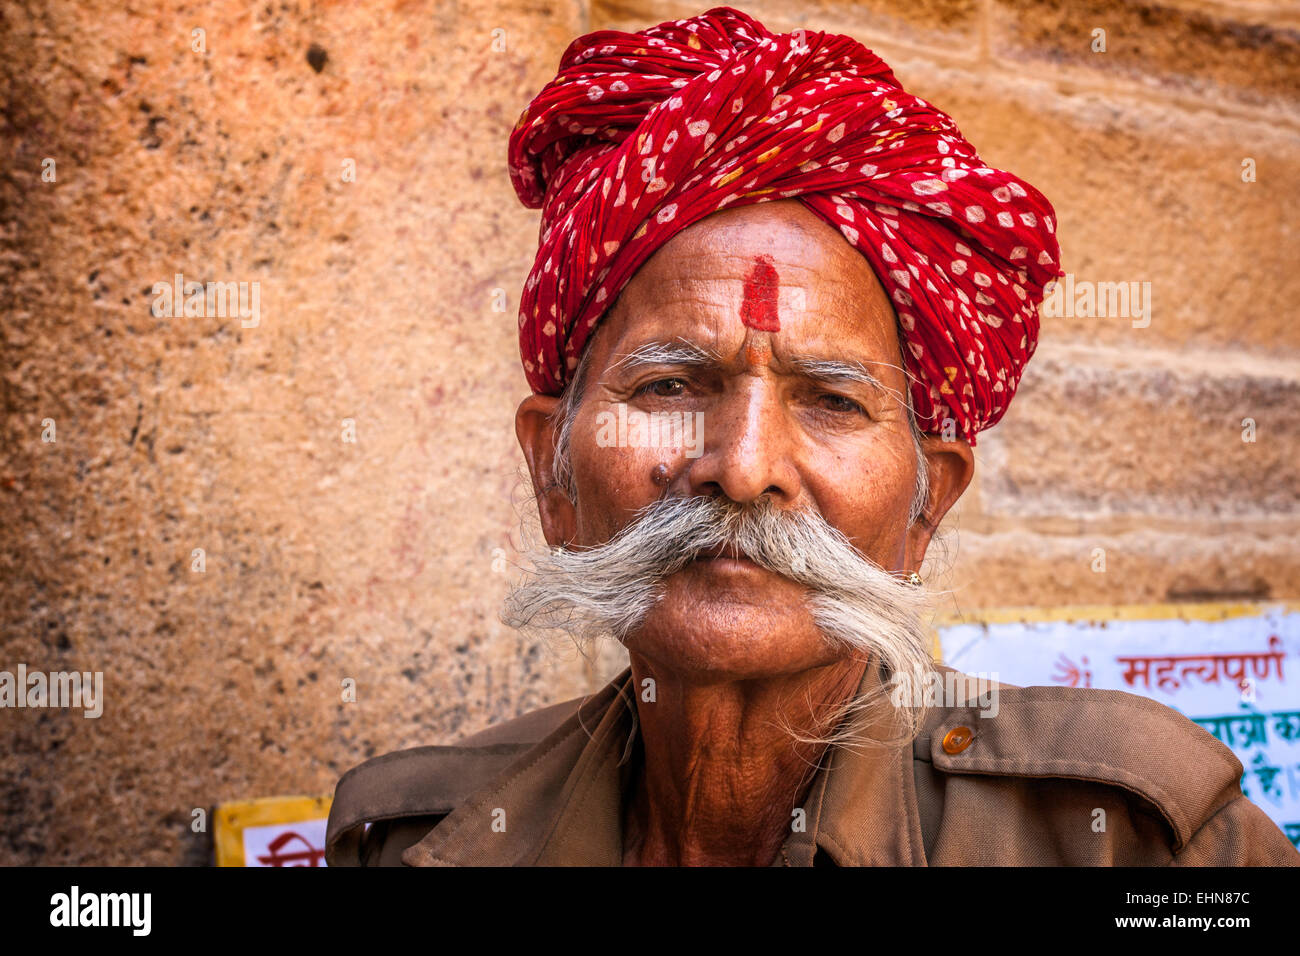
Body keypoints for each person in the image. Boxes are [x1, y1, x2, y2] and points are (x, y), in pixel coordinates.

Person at [326, 6, 1299, 866]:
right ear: (551, 470)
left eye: (831, 401)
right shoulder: (416, 836)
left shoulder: (1135, 842)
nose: (743, 469)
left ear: (927, 503)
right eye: (669, 384)